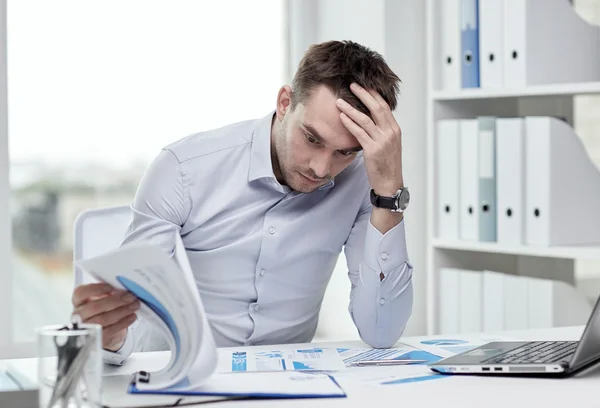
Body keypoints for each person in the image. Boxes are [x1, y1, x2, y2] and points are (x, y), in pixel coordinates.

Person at [71, 40, 414, 364]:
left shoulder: (361, 182)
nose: (322, 168)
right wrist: (111, 337)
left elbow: (381, 332)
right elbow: (139, 307)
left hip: (292, 385)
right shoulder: (184, 169)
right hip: (184, 378)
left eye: (345, 152)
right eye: (311, 138)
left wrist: (388, 192)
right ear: (284, 103)